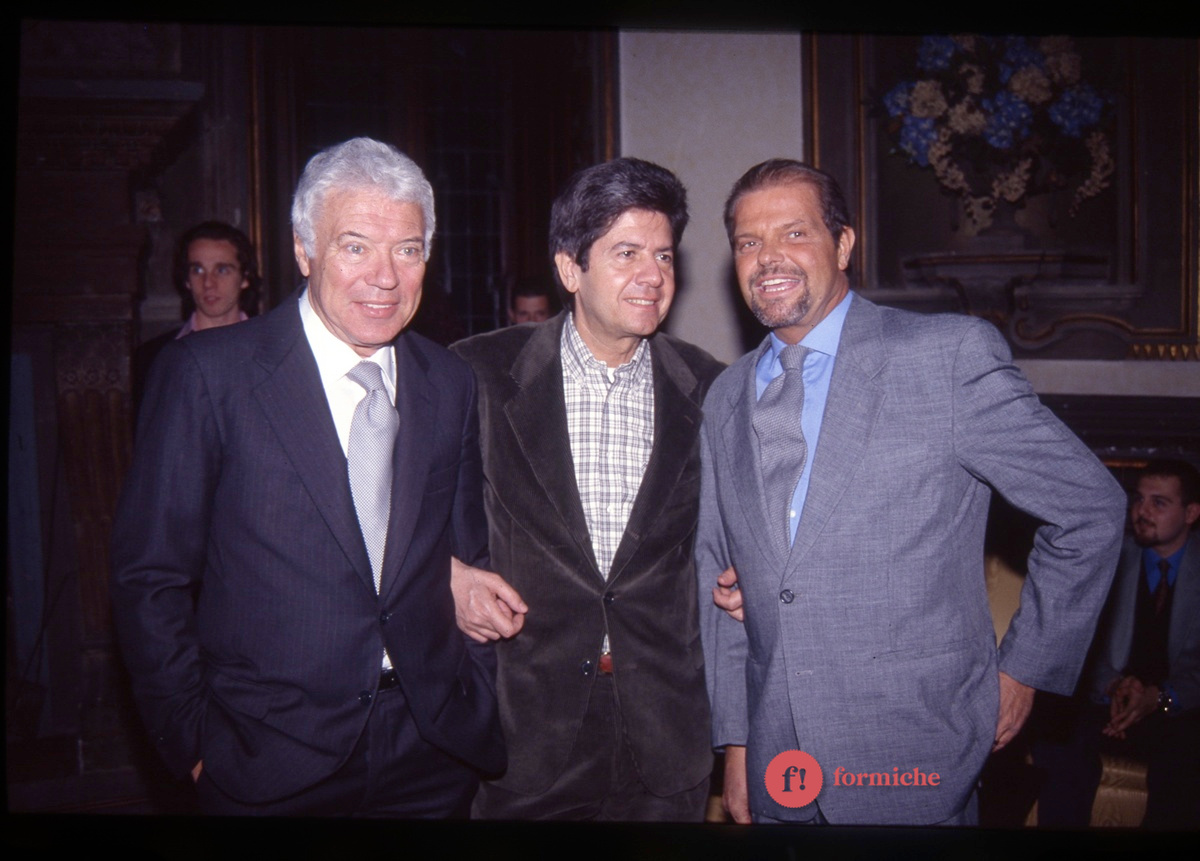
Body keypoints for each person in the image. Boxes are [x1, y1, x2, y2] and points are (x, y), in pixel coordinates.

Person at [696, 159, 1126, 826]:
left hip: (912, 750)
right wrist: (737, 743)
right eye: (749, 242)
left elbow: (1089, 508)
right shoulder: (725, 397)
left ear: (843, 244)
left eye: (794, 233)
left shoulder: (944, 358)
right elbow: (723, 580)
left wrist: (1024, 670)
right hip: (778, 759)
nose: (768, 258)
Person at [111, 137, 503, 817]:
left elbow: (468, 554)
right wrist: (194, 743)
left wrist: (477, 690)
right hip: (265, 757)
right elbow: (149, 576)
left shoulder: (449, 381)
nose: (385, 277)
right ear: (303, 250)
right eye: (356, 246)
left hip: (431, 752)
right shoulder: (209, 375)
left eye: (408, 250)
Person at [450, 157, 723, 820]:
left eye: (663, 255)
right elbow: (393, 513)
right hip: (525, 736)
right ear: (570, 269)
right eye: (627, 253)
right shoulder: (477, 375)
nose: (653, 275)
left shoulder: (711, 388)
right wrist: (443, 573)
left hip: (666, 740)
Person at [1036, 459, 1200, 828]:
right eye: (1138, 499)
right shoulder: (1110, 558)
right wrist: (1113, 686)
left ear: (1191, 513)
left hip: (1178, 711)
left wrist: (1159, 697)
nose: (1142, 511)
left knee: (1184, 761)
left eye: (1159, 503)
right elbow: (1080, 643)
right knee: (1058, 740)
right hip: (1106, 701)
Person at [132, 221, 259, 409]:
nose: (208, 283)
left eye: (222, 270)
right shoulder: (152, 357)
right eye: (197, 270)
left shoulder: (271, 350)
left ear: (245, 278)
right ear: (187, 280)